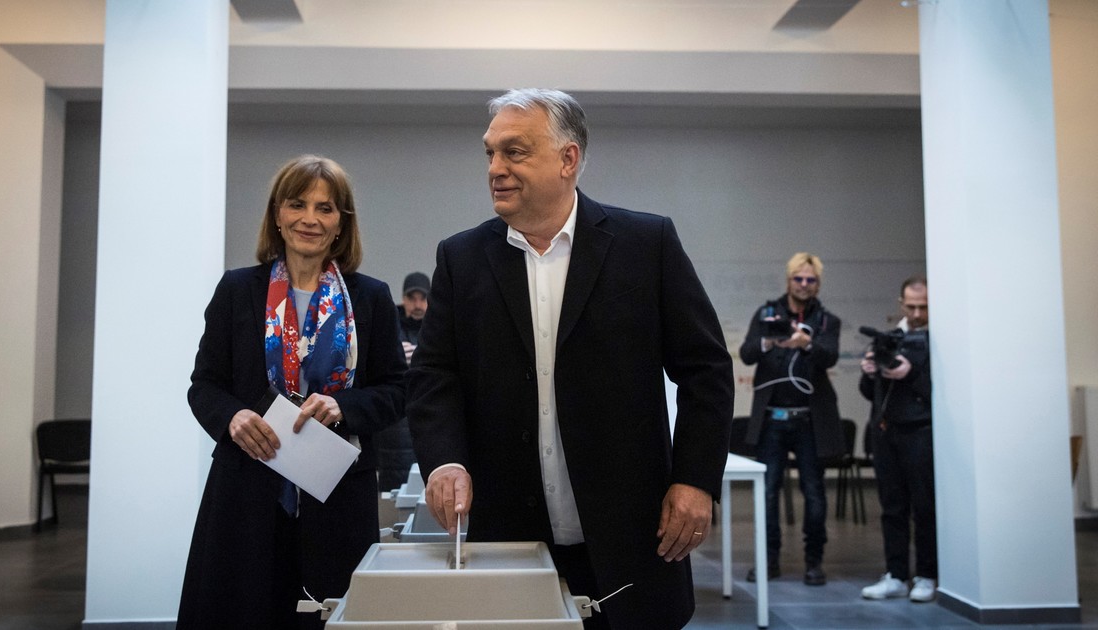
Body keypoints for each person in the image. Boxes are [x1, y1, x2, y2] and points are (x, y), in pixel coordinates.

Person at [406, 88, 734, 630]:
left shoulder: (645, 244)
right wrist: (444, 460)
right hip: (508, 536)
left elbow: (707, 370)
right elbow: (434, 375)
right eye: (490, 153)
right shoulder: (461, 258)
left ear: (568, 158)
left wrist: (695, 480)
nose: (495, 168)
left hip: (631, 533)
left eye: (514, 152)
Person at [177, 155, 407, 629]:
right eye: (297, 204)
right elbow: (204, 385)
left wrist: (344, 405)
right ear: (277, 215)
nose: (310, 219)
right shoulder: (237, 290)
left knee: (329, 615)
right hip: (247, 490)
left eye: (325, 208)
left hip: (338, 497)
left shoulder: (371, 297)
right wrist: (232, 417)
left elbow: (398, 390)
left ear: (341, 223)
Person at [739, 252, 843, 586]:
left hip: (810, 421)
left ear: (818, 284)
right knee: (767, 492)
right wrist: (770, 340)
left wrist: (807, 344)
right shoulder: (767, 314)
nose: (804, 284)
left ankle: (814, 562)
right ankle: (768, 560)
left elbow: (830, 356)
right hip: (771, 420)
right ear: (788, 280)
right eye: (799, 278)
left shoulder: (827, 321)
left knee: (814, 492)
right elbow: (746, 353)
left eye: (810, 280)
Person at [859, 275, 936, 602]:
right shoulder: (890, 339)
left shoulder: (941, 340)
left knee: (924, 507)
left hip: (921, 431)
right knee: (892, 507)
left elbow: (942, 393)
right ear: (901, 304)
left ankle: (927, 575)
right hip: (886, 430)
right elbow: (870, 393)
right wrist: (869, 372)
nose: (917, 313)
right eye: (912, 306)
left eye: (924, 307)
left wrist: (912, 373)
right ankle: (895, 574)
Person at [374, 271, 430, 491]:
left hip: (426, 415)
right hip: (394, 422)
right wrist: (396, 354)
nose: (417, 304)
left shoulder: (440, 328)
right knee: (393, 491)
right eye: (411, 298)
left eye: (422, 298)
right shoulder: (389, 326)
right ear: (403, 299)